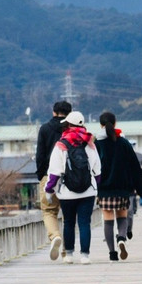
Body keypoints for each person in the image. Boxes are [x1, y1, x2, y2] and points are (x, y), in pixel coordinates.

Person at [44, 110, 101, 265]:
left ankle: (69, 254)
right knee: (84, 223)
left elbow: (54, 172)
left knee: (68, 222)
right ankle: (85, 256)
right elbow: (97, 170)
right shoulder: (90, 143)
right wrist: (97, 187)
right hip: (88, 191)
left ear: (68, 125)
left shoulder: (61, 145)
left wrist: (49, 190)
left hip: (67, 193)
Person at [95, 111, 142, 262]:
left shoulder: (97, 144)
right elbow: (135, 166)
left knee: (108, 219)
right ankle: (121, 238)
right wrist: (138, 186)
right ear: (115, 124)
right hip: (123, 188)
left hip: (104, 188)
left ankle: (112, 253)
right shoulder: (124, 143)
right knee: (122, 216)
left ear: (101, 125)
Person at [35, 100, 71, 261]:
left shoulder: (44, 129)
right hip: (70, 178)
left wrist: (41, 175)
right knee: (68, 215)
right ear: (69, 114)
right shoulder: (71, 129)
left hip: (48, 176)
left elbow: (40, 155)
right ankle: (66, 252)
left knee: (49, 211)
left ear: (54, 112)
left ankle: (55, 236)